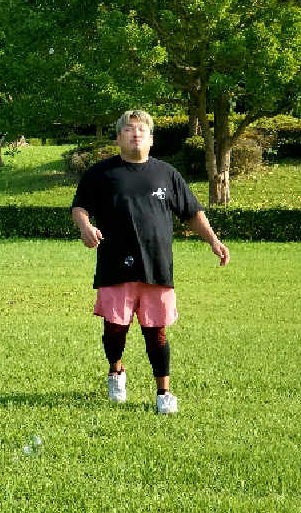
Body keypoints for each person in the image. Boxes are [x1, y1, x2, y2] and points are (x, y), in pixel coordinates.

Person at [71, 109, 229, 414]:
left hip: (156, 266)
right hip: (114, 266)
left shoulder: (167, 174)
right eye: (128, 130)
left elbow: (192, 212)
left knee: (156, 332)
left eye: (142, 130)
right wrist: (86, 227)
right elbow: (79, 207)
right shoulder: (101, 173)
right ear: (118, 138)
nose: (135, 134)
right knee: (115, 329)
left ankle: (163, 394)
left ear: (151, 138)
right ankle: (116, 371)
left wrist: (213, 240)